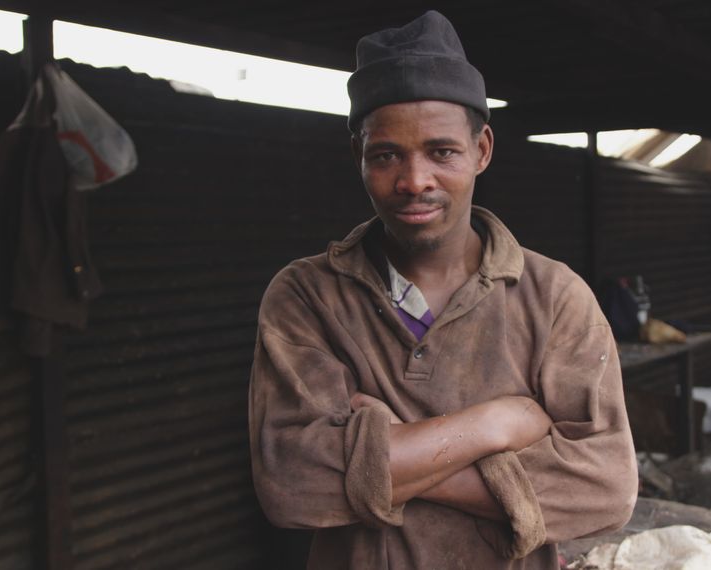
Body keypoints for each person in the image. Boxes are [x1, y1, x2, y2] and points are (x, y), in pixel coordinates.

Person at [248, 11, 637, 569]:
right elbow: (292, 483)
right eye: (385, 155)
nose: (414, 180)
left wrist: (386, 448)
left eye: (442, 152)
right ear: (357, 155)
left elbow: (605, 488)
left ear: (481, 150)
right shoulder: (308, 297)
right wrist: (493, 425)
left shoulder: (554, 297)